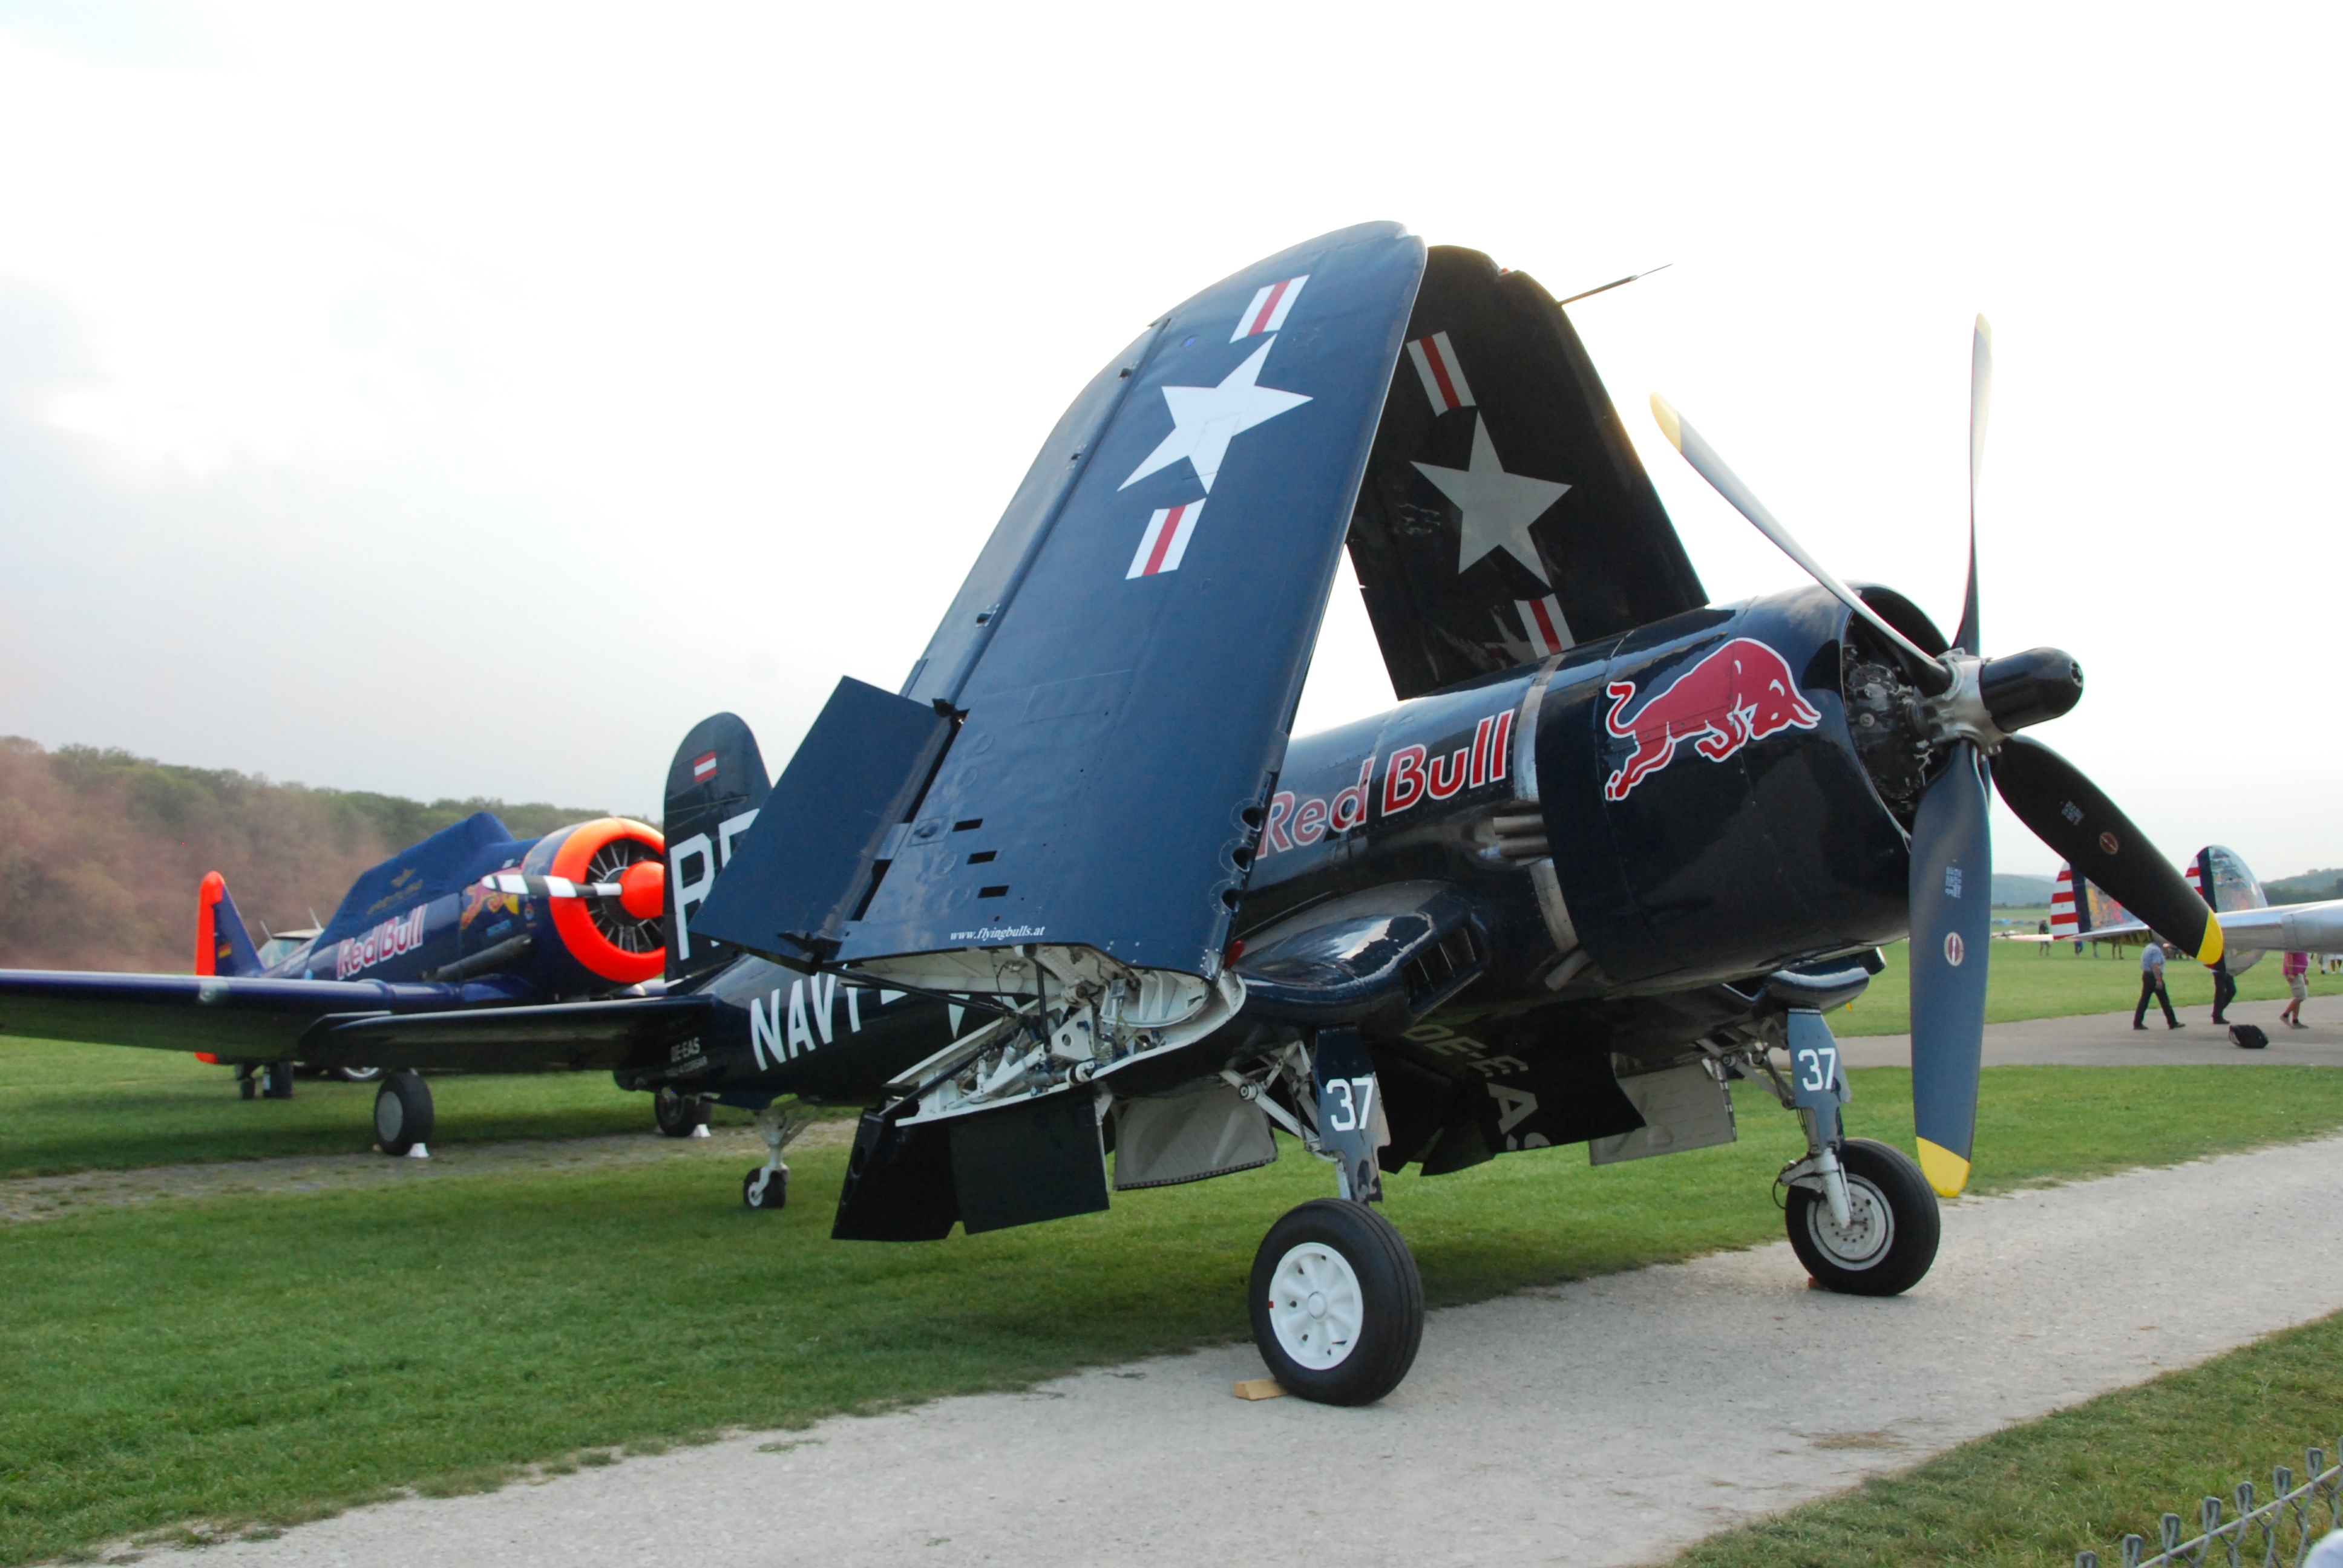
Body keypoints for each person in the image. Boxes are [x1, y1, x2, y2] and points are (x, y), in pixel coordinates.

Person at [2134, 941, 2183, 1030]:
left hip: (2146, 975)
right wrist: (2159, 980)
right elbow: (2155, 966)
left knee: (2144, 1000)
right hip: (2154, 977)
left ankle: (2137, 1022)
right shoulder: (2156, 950)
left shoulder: (2148, 947)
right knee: (2164, 1000)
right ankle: (2172, 1022)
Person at [2281, 950, 2310, 1028]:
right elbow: (2289, 959)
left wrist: (2304, 975)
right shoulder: (2292, 946)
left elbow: (2301, 960)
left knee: (2298, 997)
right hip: (2294, 974)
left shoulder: (2299, 946)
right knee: (2301, 997)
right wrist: (2291, 973)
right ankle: (2285, 1015)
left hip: (2298, 973)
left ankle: (2295, 1020)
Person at [2210, 958, 2238, 1024]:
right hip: (2218, 967)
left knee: (2232, 990)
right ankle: (2217, 1016)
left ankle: (2217, 1012)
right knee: (2221, 991)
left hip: (2226, 966)